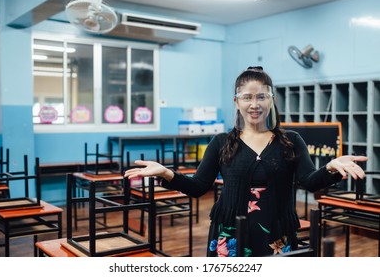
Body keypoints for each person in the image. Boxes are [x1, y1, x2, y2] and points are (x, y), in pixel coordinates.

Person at [124, 66, 367, 257]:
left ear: (271, 100)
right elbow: (198, 187)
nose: (254, 104)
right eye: (247, 97)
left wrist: (331, 168)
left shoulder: (290, 141)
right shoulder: (221, 142)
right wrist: (167, 173)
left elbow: (311, 182)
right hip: (230, 234)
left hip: (276, 233)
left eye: (262, 97)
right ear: (236, 102)